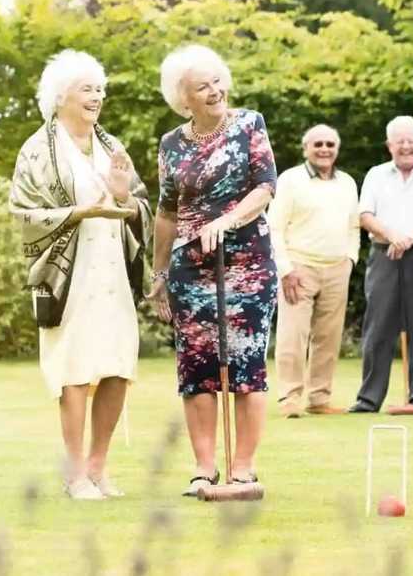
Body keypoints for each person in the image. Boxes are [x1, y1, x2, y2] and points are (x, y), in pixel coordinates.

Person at [9, 49, 151, 501]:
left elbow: (139, 207)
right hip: (68, 278)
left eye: (100, 88)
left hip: (113, 274)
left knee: (116, 367)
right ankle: (74, 476)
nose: (98, 96)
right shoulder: (36, 151)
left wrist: (125, 198)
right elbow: (23, 213)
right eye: (88, 89)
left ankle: (98, 468)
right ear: (59, 96)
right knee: (73, 370)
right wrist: (78, 212)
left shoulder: (113, 147)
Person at [146, 45, 278, 495]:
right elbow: (166, 212)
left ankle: (243, 466)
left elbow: (265, 187)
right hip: (191, 269)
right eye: (202, 86)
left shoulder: (248, 125)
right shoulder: (171, 145)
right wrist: (159, 273)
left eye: (217, 81)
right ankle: (204, 467)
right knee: (196, 367)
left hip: (248, 264)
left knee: (245, 363)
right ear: (183, 98)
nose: (215, 90)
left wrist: (225, 221)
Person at [348, 116, 413, 414]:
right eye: (399, 141)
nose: (406, 146)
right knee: (377, 328)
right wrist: (394, 236)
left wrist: (409, 238)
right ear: (389, 145)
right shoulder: (376, 175)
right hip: (384, 254)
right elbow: (365, 215)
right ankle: (368, 399)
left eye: (411, 141)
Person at [268, 124, 359, 418]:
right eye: (318, 144)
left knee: (328, 337)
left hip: (336, 267)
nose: (324, 149)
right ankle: (289, 398)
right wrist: (285, 269)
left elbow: (353, 226)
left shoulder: (346, 182)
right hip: (299, 267)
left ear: (337, 149)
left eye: (330, 144)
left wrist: (350, 260)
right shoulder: (291, 180)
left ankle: (319, 398)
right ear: (306, 148)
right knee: (293, 336)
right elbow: (274, 227)